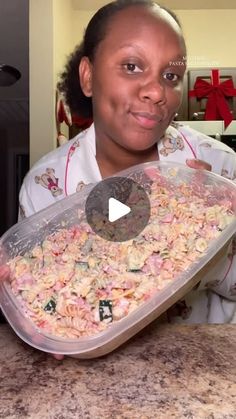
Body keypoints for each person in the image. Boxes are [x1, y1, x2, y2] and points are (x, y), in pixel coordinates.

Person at [1, 0, 236, 328]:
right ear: (87, 76)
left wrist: (210, 243)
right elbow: (42, 306)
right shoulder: (46, 186)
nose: (156, 91)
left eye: (171, 75)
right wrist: (37, 307)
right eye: (131, 66)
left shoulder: (221, 167)